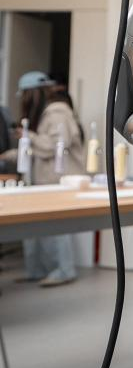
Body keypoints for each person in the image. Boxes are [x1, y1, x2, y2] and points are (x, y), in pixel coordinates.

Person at [6, 72, 86, 287]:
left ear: (31, 93)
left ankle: (64, 270)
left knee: (56, 229)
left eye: (23, 95)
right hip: (44, 180)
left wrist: (28, 136)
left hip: (59, 181)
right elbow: (36, 149)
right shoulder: (45, 115)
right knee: (36, 227)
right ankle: (37, 270)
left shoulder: (57, 112)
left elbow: (56, 145)